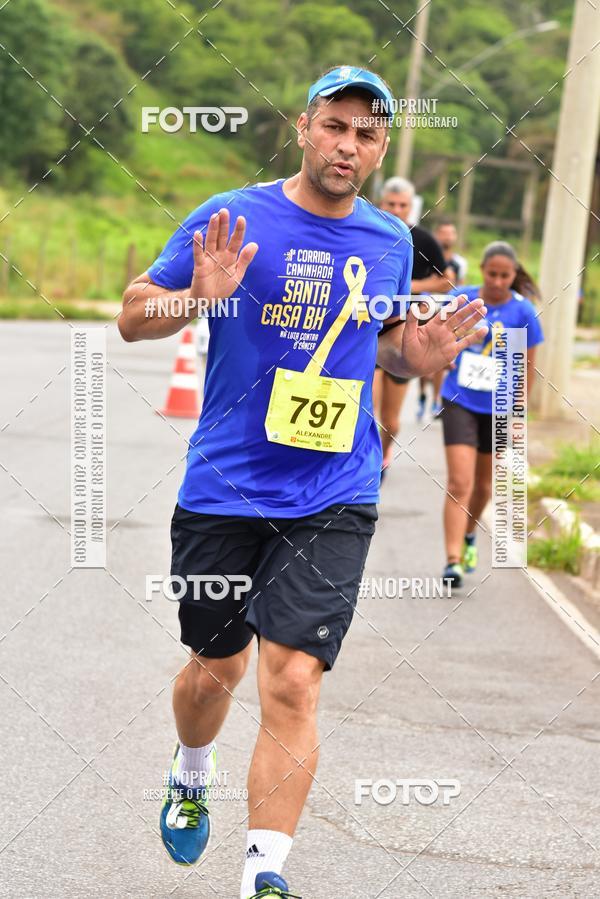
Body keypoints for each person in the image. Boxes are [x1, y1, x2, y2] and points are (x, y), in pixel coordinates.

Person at [119, 65, 486, 899]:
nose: (347, 144)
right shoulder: (234, 217)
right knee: (216, 668)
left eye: (365, 133)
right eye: (334, 126)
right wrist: (194, 301)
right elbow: (134, 314)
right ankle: (190, 766)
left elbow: (387, 342)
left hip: (335, 491)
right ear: (304, 127)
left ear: (382, 144)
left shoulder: (392, 241)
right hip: (224, 486)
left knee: (293, 675)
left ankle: (264, 874)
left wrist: (412, 356)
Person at [439, 240, 543, 588]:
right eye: (492, 273)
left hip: (499, 408)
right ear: (482, 270)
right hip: (460, 401)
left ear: (514, 276)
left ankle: (469, 533)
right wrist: (445, 357)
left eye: (505, 275)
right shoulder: (465, 300)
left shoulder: (523, 312)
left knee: (484, 486)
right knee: (459, 482)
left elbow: (527, 367)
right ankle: (453, 560)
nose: (498, 281)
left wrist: (518, 414)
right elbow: (438, 336)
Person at [373, 177, 453, 474]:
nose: (396, 210)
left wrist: (409, 286)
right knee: (366, 410)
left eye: (402, 205)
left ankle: (384, 451)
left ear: (412, 207)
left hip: (405, 337)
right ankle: (368, 466)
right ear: (381, 203)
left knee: (391, 420)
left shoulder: (423, 240)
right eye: (390, 204)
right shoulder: (368, 233)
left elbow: (446, 280)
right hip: (371, 333)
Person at [434, 219, 468, 287]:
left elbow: (460, 287)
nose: (448, 237)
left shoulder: (460, 263)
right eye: (444, 233)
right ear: (436, 235)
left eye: (451, 233)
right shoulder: (426, 260)